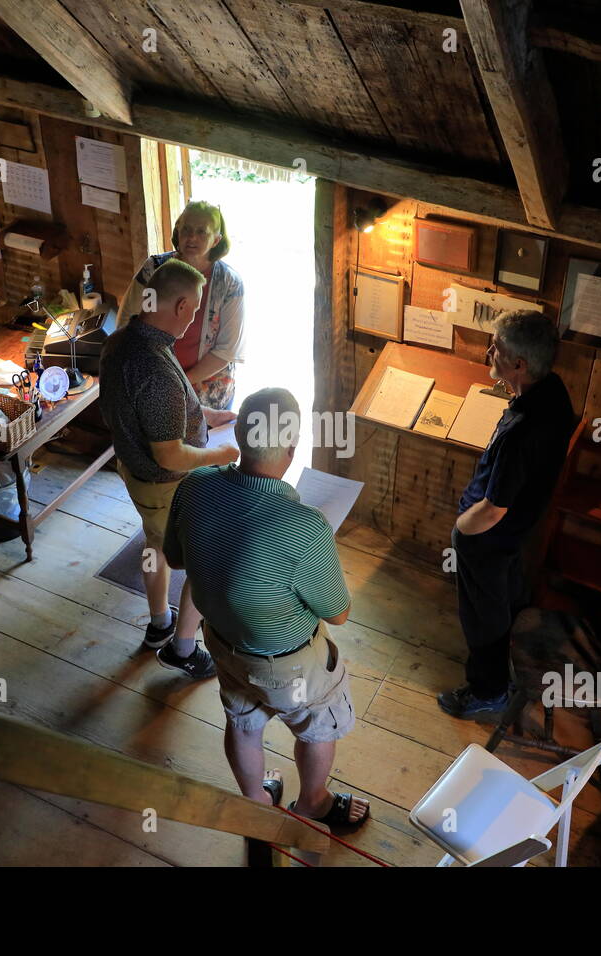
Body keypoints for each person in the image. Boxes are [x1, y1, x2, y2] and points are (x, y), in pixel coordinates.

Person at [163, 387, 371, 830]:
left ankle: (256, 804)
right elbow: (337, 613)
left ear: (238, 433)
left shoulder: (195, 486)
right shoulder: (305, 526)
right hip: (289, 664)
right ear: (293, 446)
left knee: (241, 720)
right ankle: (312, 802)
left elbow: (176, 559)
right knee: (317, 722)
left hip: (222, 643)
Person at [99, 258, 239, 678]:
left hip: (135, 474)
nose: (194, 317)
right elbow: (171, 455)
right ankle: (182, 647)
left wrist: (204, 415)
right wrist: (220, 455)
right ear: (179, 306)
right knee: (204, 557)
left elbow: (150, 412)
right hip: (166, 484)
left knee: (153, 546)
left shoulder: (124, 340)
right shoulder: (156, 369)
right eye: (194, 310)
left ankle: (159, 623)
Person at [437, 311, 577, 719]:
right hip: (515, 533)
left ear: (519, 364)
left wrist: (462, 531)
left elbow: (494, 509)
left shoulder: (525, 431)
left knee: (483, 616)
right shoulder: (551, 391)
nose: (488, 352)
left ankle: (487, 692)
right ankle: (501, 677)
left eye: (496, 347)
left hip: (489, 539)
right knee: (499, 605)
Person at [118, 201, 245, 410]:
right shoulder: (155, 270)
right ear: (178, 230)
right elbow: (129, 322)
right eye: (186, 228)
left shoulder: (229, 283)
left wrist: (182, 382)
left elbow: (227, 349)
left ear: (216, 240)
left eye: (201, 232)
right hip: (155, 381)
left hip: (208, 391)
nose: (191, 237)